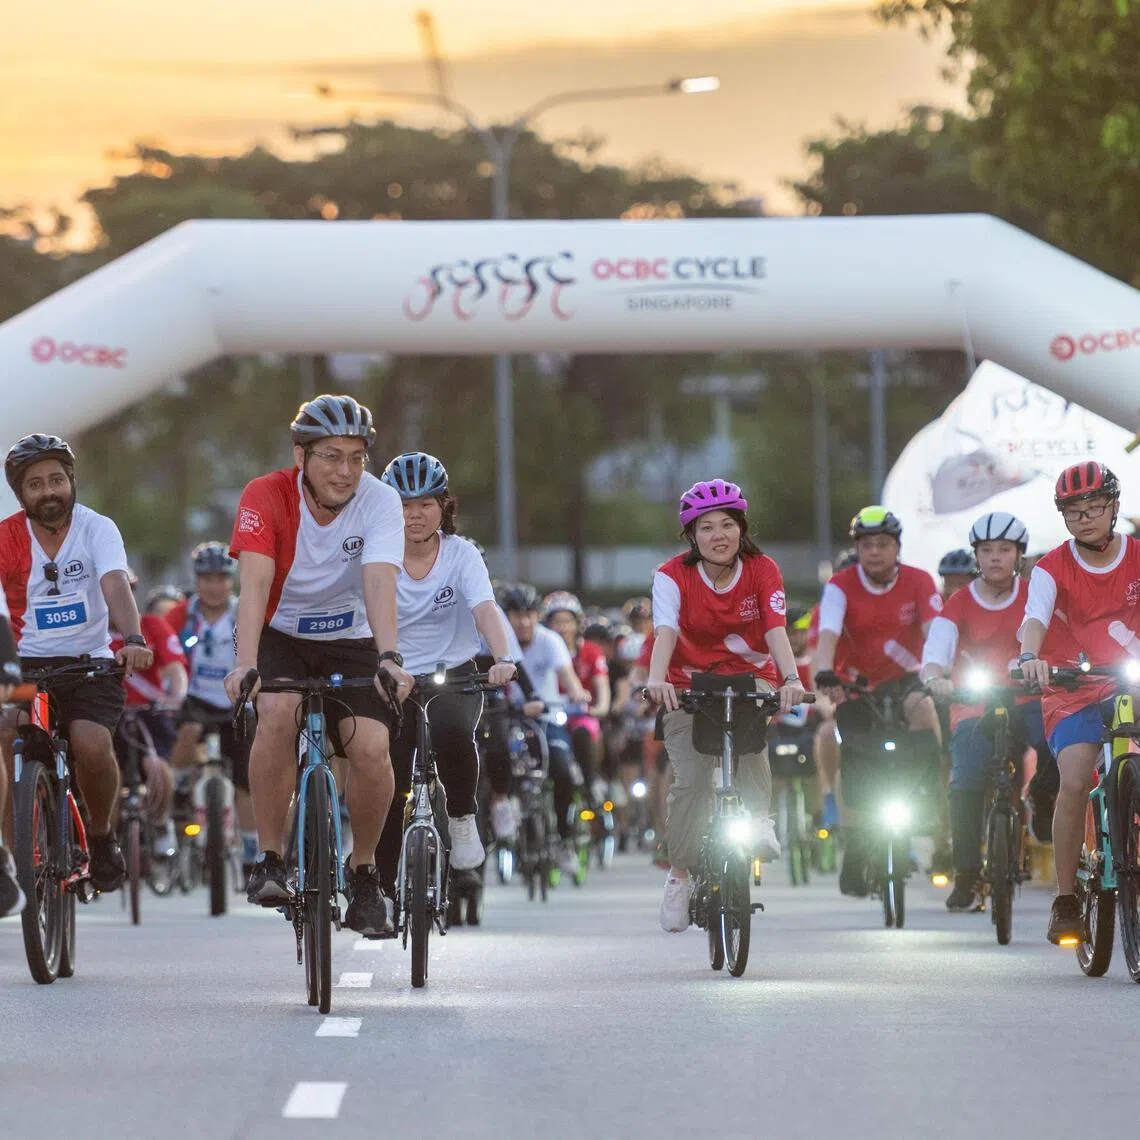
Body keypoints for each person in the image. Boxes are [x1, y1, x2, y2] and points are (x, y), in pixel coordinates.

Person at [222, 394, 413, 938]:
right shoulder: (266, 494)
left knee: (372, 748)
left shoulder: (379, 501)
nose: (345, 471)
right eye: (331, 456)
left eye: (356, 457)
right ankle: (272, 858)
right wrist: (246, 664)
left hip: (349, 637)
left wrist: (389, 658)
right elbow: (254, 584)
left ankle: (365, 871)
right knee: (277, 712)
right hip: (279, 631)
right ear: (300, 455)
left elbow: (380, 581)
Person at [645, 478, 806, 933]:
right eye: (707, 527)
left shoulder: (762, 568)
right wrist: (657, 679)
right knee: (692, 778)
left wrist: (791, 678)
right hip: (685, 684)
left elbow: (776, 628)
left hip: (749, 679)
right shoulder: (671, 575)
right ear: (691, 536)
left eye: (728, 525)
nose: (719, 535)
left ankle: (759, 818)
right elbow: (666, 631)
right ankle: (679, 874)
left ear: (742, 528)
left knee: (752, 745)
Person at [0, 434, 153, 893]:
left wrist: (132, 637)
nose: (48, 491)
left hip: (89, 669)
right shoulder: (5, 539)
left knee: (90, 743)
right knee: (6, 733)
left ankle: (103, 836)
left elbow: (114, 585)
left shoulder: (97, 528)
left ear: (71, 481)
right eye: (35, 485)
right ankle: (12, 856)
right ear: (21, 493)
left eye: (56, 480)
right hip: (22, 672)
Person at [372, 451, 517, 899]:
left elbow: (485, 609)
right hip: (391, 677)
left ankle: (461, 816)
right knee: (387, 771)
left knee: (455, 731)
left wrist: (502, 656)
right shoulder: (377, 556)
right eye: (402, 505)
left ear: (443, 507)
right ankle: (379, 876)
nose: (414, 515)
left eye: (424, 504)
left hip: (451, 674)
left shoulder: (462, 554)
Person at [1016, 461, 1140, 945]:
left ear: (1113, 506)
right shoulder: (1051, 567)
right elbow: (1034, 618)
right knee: (1073, 779)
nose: (1085, 518)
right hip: (1071, 687)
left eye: (1094, 508)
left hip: (1130, 683)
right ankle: (1067, 898)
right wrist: (1030, 656)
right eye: (1074, 511)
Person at [811, 506, 943, 895]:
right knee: (852, 755)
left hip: (906, 681)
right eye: (867, 545)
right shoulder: (840, 585)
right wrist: (825, 674)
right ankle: (856, 842)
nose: (875, 552)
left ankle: (927, 805)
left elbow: (935, 632)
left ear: (897, 547)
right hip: (857, 685)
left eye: (883, 544)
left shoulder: (920, 582)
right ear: (857, 548)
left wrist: (938, 673)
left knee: (926, 713)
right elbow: (829, 633)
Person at [921, 511, 1045, 912]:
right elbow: (935, 655)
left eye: (1004, 550)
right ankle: (967, 876)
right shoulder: (959, 603)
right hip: (973, 701)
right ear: (977, 555)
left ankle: (1043, 799)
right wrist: (936, 677)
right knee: (965, 782)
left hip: (1028, 698)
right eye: (987, 550)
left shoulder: (1035, 594)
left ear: (1019, 554)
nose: (995, 558)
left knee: (1055, 744)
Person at [166, 541, 258, 872]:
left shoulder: (243, 610)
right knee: (187, 732)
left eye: (221, 579)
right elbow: (162, 650)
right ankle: (178, 787)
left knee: (247, 778)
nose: (214, 586)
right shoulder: (181, 615)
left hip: (237, 702)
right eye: (207, 579)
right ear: (197, 580)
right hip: (196, 699)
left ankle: (251, 849)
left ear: (230, 581)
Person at [500, 583, 591, 874]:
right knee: (498, 763)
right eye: (516, 615)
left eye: (530, 615)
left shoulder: (550, 640)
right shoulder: (496, 639)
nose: (524, 622)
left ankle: (564, 840)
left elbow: (569, 676)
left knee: (562, 770)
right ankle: (504, 821)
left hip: (548, 719)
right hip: (509, 718)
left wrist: (577, 693)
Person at [109, 568, 188, 858]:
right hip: (107, 712)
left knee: (159, 769)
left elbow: (175, 670)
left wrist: (175, 697)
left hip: (148, 713)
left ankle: (161, 822)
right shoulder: (88, 631)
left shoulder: (152, 626)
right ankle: (108, 837)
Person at [542, 590, 610, 806]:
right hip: (550, 716)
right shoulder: (541, 650)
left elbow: (602, 688)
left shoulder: (591, 651)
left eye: (567, 621)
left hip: (582, 715)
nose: (562, 627)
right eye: (557, 622)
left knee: (583, 732)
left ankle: (591, 782)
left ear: (577, 623)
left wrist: (599, 708)